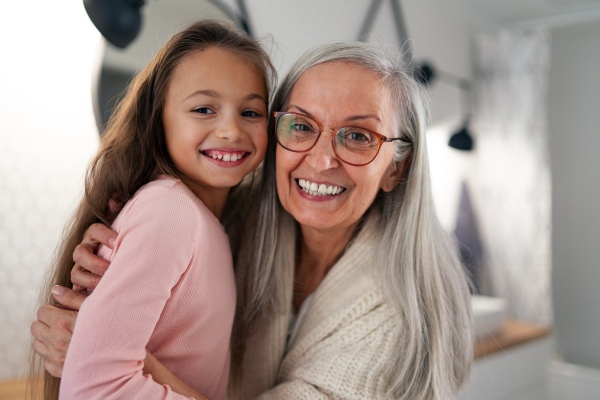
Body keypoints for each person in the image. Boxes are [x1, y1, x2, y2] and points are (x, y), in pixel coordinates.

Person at [31, 41, 472, 399]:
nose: (320, 160)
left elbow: (102, 371)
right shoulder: (223, 222)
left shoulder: (396, 315)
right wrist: (111, 245)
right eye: (300, 126)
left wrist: (113, 356)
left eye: (357, 136)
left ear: (396, 168)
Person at [29, 20, 276, 400]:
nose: (231, 130)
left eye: (250, 113)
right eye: (204, 108)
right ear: (158, 119)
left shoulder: (206, 222)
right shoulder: (170, 210)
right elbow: (95, 386)